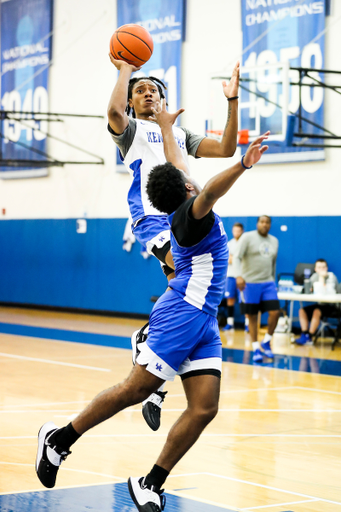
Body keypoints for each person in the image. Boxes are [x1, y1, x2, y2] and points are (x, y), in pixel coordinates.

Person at [35, 101, 269, 512]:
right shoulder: (193, 214)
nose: (191, 181)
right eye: (188, 182)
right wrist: (243, 165)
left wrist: (164, 126)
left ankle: (150, 483)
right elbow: (211, 187)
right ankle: (60, 438)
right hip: (182, 314)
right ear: (187, 192)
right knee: (134, 390)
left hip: (202, 318)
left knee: (204, 407)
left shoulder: (184, 202)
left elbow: (178, 164)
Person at [107, 56, 240, 429]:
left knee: (182, 285)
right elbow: (114, 112)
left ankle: (151, 356)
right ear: (132, 102)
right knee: (183, 272)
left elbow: (227, 148)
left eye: (154, 90)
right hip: (151, 216)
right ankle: (149, 341)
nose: (147, 93)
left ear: (164, 100)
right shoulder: (130, 130)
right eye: (140, 91)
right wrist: (125, 70)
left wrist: (232, 102)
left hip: (182, 215)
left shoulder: (181, 135)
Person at [234, 216, 280, 363]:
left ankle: (266, 341)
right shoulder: (247, 238)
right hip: (249, 283)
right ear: (257, 224)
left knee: (275, 312)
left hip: (268, 282)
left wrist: (273, 280)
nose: (264, 224)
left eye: (267, 222)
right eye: (262, 222)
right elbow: (236, 257)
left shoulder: (274, 241)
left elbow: (273, 263)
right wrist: (238, 276)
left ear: (270, 225)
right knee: (252, 316)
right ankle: (256, 348)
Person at [296, 258, 339, 345]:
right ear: (315, 269)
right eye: (319, 267)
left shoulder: (331, 276)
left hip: (331, 305)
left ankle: (310, 336)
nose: (321, 269)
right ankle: (305, 334)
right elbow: (309, 290)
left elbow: (326, 292)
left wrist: (322, 278)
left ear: (327, 268)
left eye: (323, 267)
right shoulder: (314, 277)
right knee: (302, 311)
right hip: (319, 304)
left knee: (316, 311)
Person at [221, 222, 248, 331]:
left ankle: (248, 324)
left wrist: (234, 258)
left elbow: (243, 260)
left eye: (239, 230)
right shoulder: (229, 244)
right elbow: (228, 259)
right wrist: (235, 258)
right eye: (235, 230)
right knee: (230, 299)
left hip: (242, 276)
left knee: (245, 300)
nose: (236, 232)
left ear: (242, 231)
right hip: (230, 276)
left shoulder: (245, 243)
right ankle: (230, 323)